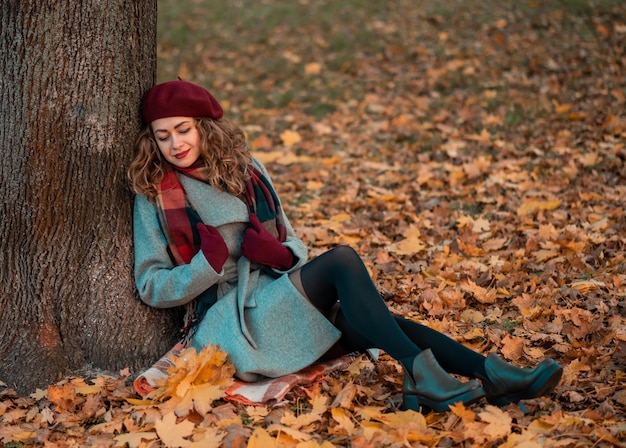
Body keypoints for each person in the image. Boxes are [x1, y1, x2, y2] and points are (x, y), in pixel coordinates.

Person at [127, 79, 563, 413]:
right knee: (341, 263)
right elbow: (150, 285)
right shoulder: (156, 193)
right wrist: (206, 264)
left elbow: (291, 241)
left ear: (204, 127)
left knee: (371, 320)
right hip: (229, 322)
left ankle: (487, 374)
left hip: (276, 294)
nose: (175, 145)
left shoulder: (249, 170)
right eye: (162, 136)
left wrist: (280, 256)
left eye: (183, 130)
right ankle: (430, 376)